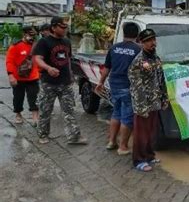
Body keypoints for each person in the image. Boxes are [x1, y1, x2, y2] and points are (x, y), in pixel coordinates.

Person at [33, 16, 87, 145]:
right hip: (48, 83)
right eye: (62, 27)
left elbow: (68, 60)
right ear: (53, 27)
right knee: (45, 111)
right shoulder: (44, 42)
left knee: (69, 111)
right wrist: (48, 67)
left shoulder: (67, 41)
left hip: (65, 83)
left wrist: (71, 75)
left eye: (66, 27)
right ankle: (43, 135)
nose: (65, 29)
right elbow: (37, 59)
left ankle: (74, 137)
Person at [96, 23, 141, 155]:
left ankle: (111, 142)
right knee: (127, 117)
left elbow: (107, 68)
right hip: (128, 86)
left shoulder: (114, 48)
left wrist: (100, 82)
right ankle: (123, 147)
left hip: (114, 85)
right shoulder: (138, 50)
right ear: (137, 34)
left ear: (123, 32)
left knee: (116, 113)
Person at [128, 29, 168, 172]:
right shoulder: (138, 61)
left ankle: (149, 156)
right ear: (142, 43)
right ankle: (139, 160)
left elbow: (161, 80)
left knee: (152, 131)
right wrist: (141, 107)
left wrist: (164, 98)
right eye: (149, 41)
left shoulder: (156, 58)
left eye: (154, 39)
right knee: (141, 133)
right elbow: (136, 86)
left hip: (155, 102)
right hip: (143, 104)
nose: (153, 43)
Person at [5, 26, 40, 125]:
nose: (32, 38)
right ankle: (18, 114)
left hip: (33, 77)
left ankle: (35, 116)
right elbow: (9, 62)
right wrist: (11, 75)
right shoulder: (15, 46)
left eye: (34, 35)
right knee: (18, 97)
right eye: (30, 35)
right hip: (18, 78)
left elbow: (40, 59)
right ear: (24, 34)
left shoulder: (36, 46)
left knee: (34, 97)